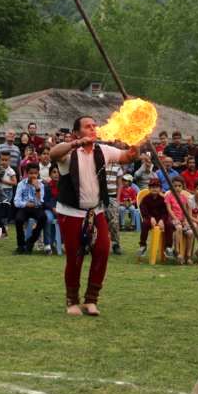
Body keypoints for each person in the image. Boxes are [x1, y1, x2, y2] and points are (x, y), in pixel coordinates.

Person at [46, 116, 139, 315]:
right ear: (77, 133)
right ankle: (72, 301)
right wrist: (76, 143)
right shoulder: (69, 152)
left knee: (103, 251)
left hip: (95, 211)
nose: (93, 129)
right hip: (71, 212)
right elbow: (53, 154)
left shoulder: (103, 150)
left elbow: (128, 157)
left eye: (94, 126)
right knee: (75, 256)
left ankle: (91, 300)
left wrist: (136, 141)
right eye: (88, 127)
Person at [13, 164, 48, 255]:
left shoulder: (41, 185)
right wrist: (26, 204)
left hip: (36, 208)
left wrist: (37, 189)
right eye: (31, 173)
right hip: (25, 207)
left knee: (43, 217)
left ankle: (31, 241)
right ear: (26, 173)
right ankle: (20, 245)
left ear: (38, 173)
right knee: (18, 219)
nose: (33, 175)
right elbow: (16, 201)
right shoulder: (21, 184)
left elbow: (40, 202)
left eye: (35, 173)